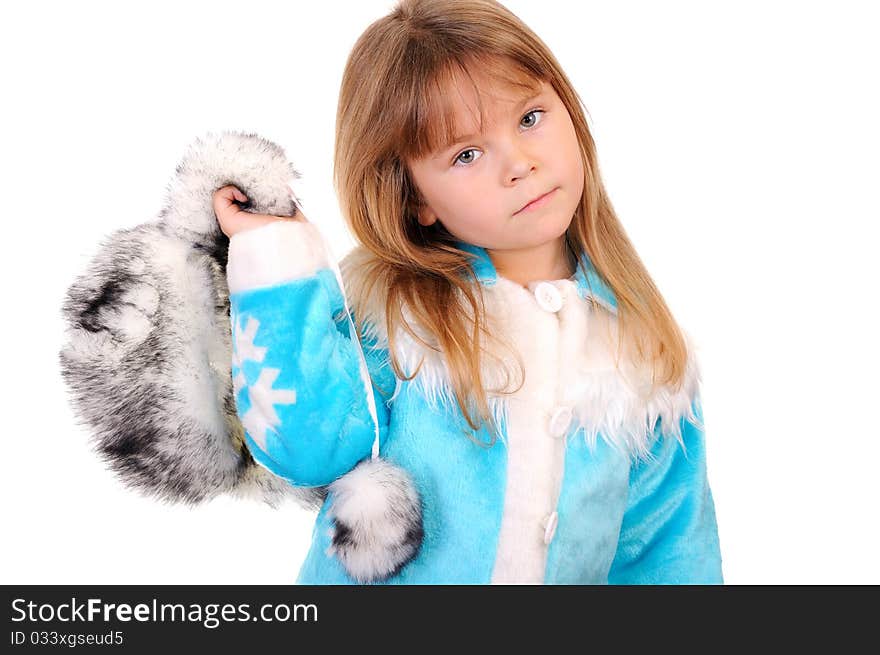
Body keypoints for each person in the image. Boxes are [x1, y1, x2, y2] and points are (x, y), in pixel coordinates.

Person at [212, 0, 722, 584]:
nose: (520, 164)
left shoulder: (643, 355)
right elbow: (303, 450)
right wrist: (275, 257)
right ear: (415, 199)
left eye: (530, 117)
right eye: (466, 154)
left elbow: (667, 553)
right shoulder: (394, 324)